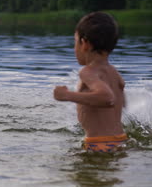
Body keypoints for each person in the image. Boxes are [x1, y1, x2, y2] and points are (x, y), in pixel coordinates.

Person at [54, 12, 127, 152]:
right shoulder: (114, 73)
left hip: (98, 145)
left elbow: (107, 98)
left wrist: (67, 95)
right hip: (120, 141)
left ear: (85, 44)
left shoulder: (88, 72)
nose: (74, 48)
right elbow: (120, 103)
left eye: (75, 42)